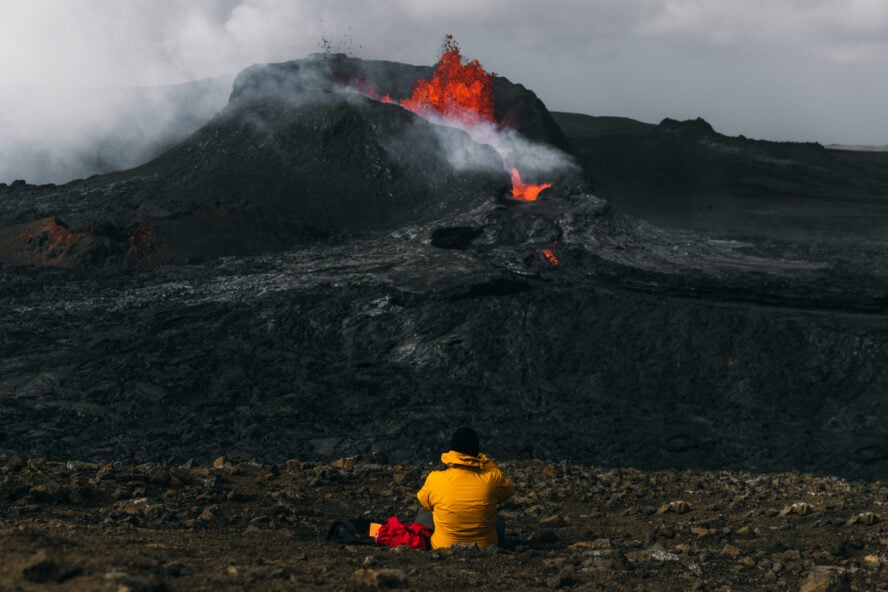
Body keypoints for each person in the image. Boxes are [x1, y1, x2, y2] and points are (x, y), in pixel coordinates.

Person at [415, 427, 515, 549]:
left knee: (423, 518)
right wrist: (485, 461)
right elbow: (509, 490)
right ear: (476, 451)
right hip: (485, 546)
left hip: (444, 547)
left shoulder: (435, 478)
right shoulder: (492, 479)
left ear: (452, 451)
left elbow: (425, 503)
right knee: (498, 521)